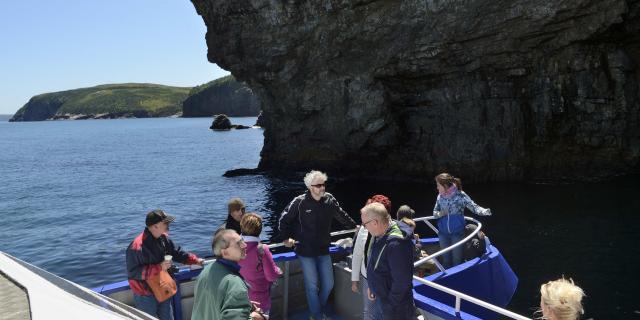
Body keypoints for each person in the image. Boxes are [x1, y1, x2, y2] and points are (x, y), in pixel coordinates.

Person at [279, 170, 357, 320]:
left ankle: (317, 311)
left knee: (329, 284)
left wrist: (355, 226)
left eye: (324, 184)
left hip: (323, 249)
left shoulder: (329, 200)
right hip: (305, 250)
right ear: (310, 187)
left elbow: (341, 214)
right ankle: (318, 316)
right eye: (319, 185)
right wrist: (285, 238)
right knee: (312, 286)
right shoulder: (299, 202)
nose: (323, 188)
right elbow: (284, 220)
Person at [126, 209, 204, 320]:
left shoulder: (163, 238)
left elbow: (177, 253)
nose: (168, 225)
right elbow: (133, 272)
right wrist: (159, 267)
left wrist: (196, 260)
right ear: (155, 226)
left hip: (163, 287)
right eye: (165, 223)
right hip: (146, 295)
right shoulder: (136, 247)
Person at [191, 229, 266, 320]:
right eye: (239, 243)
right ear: (225, 252)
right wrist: (256, 317)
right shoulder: (234, 282)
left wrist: (244, 303)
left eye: (242, 240)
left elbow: (212, 302)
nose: (245, 245)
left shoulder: (205, 271)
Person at [362, 202, 416, 320]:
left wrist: (390, 304)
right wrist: (372, 286)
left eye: (364, 224)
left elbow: (402, 282)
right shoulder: (381, 234)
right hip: (384, 297)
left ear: (375, 223)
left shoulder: (397, 245)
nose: (364, 227)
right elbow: (377, 263)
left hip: (396, 308)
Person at [432, 173, 492, 268]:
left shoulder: (460, 195)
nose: (437, 188)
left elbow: (473, 207)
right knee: (446, 260)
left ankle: (457, 278)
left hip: (457, 233)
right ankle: (446, 280)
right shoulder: (440, 197)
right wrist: (441, 213)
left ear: (445, 185)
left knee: (457, 260)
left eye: (438, 185)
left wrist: (484, 211)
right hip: (443, 234)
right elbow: (435, 213)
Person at [351, 195, 392, 320]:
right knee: (369, 311)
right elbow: (358, 254)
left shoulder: (394, 233)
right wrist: (354, 279)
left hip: (387, 280)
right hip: (367, 278)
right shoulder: (364, 229)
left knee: (385, 312)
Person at [238, 213, 282, 316]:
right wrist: (277, 270)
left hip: (238, 301)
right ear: (260, 229)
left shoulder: (235, 248)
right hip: (259, 303)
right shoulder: (262, 249)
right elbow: (271, 276)